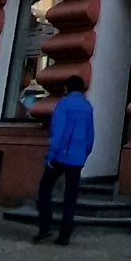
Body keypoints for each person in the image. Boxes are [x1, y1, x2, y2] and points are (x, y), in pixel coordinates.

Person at [34, 75, 94, 245]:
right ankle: (65, 234)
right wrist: (84, 153)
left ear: (67, 88)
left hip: (60, 156)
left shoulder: (64, 104)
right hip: (77, 159)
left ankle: (45, 226)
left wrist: (51, 155)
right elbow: (90, 135)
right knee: (71, 196)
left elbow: (57, 131)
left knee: (45, 189)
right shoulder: (87, 106)